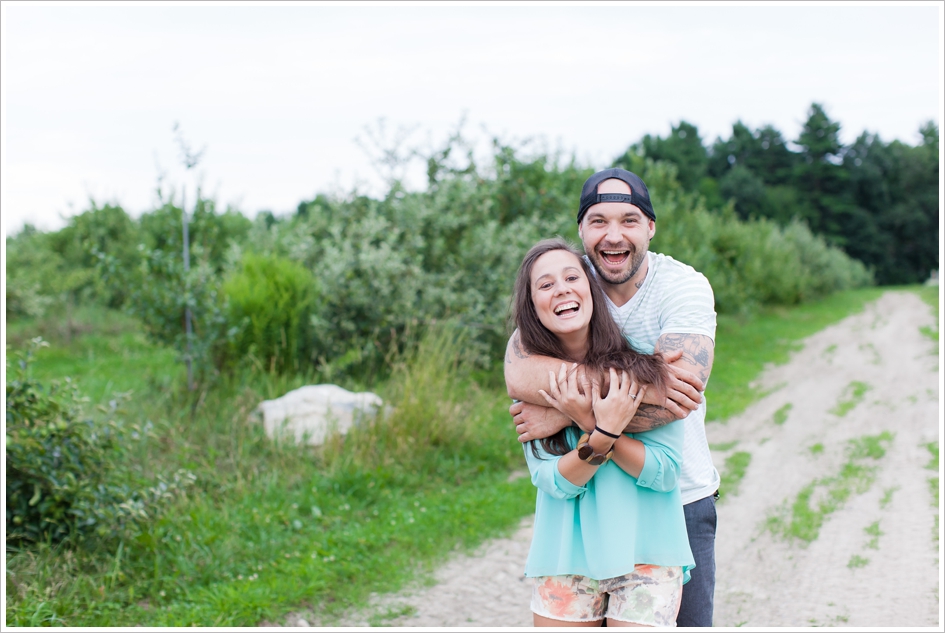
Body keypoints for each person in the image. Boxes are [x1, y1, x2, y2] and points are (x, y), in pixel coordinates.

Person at [505, 168, 719, 627]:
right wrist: (611, 404)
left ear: (650, 227)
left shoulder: (682, 286)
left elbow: (675, 400)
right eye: (598, 221)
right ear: (581, 230)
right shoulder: (569, 279)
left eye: (629, 220)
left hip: (678, 500)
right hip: (581, 519)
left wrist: (566, 407)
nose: (613, 234)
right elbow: (519, 370)